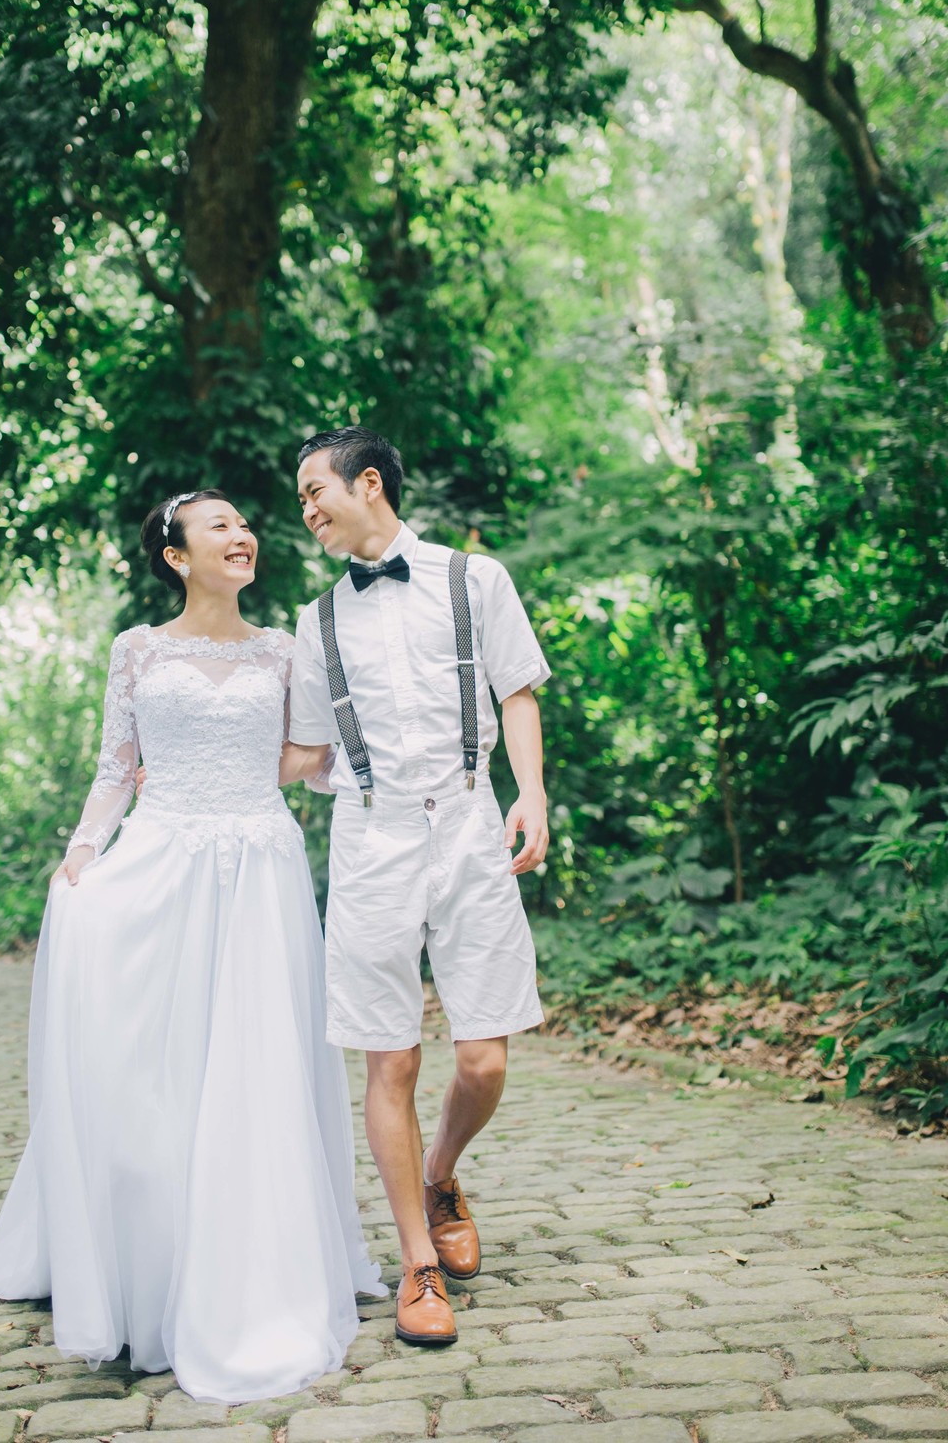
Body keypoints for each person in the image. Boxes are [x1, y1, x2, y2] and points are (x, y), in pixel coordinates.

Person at [0, 490, 384, 1403]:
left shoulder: (285, 652)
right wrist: (83, 850)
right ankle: (152, 1257)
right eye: (219, 526)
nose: (242, 534)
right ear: (178, 556)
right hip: (163, 858)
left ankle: (258, 1266)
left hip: (259, 868)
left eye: (245, 524)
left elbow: (315, 757)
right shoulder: (136, 651)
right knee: (155, 1064)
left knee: (255, 1066)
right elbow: (114, 766)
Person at [289, 428, 550, 1348]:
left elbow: (518, 691)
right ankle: (417, 1262)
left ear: (369, 482)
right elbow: (309, 753)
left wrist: (532, 795)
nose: (308, 510)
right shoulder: (314, 621)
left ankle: (442, 1170)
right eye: (301, 499)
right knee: (390, 1059)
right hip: (371, 838)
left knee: (483, 1059)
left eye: (316, 491)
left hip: (473, 823)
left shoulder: (476, 581)